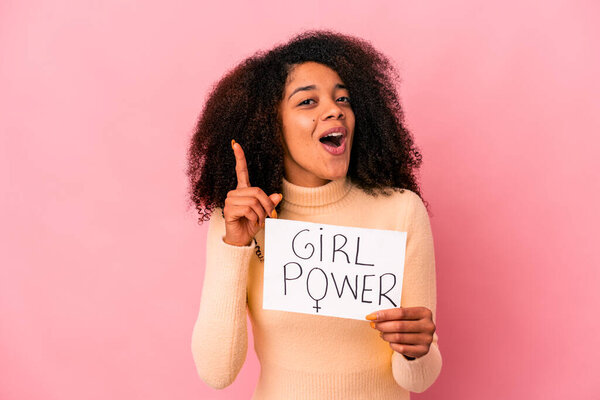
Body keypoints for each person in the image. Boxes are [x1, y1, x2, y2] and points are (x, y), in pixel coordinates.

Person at [187, 30, 442, 399]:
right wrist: (235, 245)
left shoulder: (400, 211)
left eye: (343, 99)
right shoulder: (239, 221)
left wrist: (417, 349)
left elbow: (418, 380)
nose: (335, 109)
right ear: (270, 126)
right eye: (308, 102)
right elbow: (217, 372)